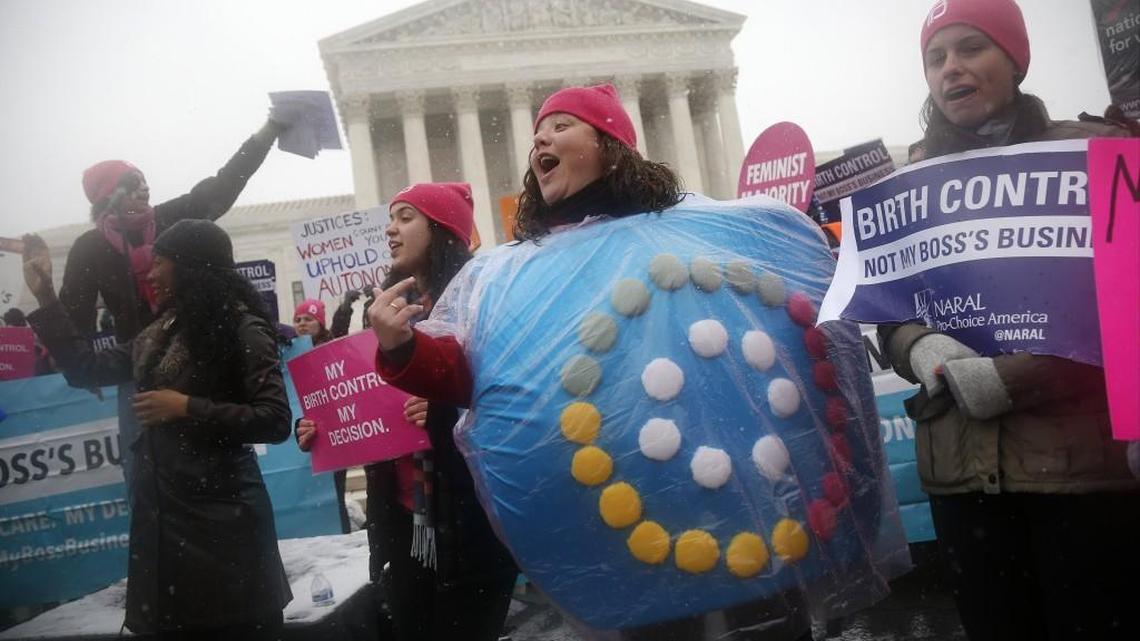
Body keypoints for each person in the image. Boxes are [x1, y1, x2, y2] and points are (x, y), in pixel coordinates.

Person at [372, 85, 831, 641]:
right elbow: (470, 369)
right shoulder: (516, 273)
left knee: (764, 621)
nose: (541, 137)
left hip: (732, 488)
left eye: (562, 126)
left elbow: (776, 302)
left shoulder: (690, 229)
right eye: (539, 131)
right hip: (626, 516)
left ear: (610, 144)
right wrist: (402, 349)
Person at [880, 2, 1140, 640]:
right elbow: (889, 310)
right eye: (936, 58)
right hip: (961, 474)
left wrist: (1021, 376)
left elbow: (1130, 307)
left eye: (972, 49)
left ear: (1015, 59)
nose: (951, 70)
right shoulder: (911, 181)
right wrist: (917, 347)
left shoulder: (1100, 153)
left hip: (1080, 474)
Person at [22, 220, 292, 640]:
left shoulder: (244, 329)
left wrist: (185, 406)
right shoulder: (155, 333)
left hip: (226, 530)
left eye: (159, 262)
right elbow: (85, 368)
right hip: (164, 532)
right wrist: (45, 296)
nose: (150, 273)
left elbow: (274, 419)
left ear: (190, 266)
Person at [299, 183, 517, 641]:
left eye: (405, 217)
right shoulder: (385, 315)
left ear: (441, 230)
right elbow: (368, 401)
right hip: (400, 525)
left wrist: (440, 406)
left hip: (465, 526)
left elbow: (506, 396)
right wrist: (328, 425)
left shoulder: (481, 302)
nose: (390, 229)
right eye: (391, 218)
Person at [59, 118, 284, 491]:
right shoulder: (90, 248)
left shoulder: (170, 220)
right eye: (133, 185)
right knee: (148, 473)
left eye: (145, 180)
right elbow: (75, 313)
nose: (145, 189)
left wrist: (267, 133)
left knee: (215, 460)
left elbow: (223, 186)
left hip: (198, 352)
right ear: (109, 197)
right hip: (140, 366)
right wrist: (86, 369)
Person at [292, 298, 351, 534]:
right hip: (305, 431)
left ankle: (341, 531)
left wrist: (344, 310)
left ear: (320, 323)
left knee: (335, 491)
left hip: (331, 433)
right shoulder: (289, 351)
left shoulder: (329, 347)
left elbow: (340, 331)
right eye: (298, 320)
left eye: (308, 319)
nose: (302, 324)